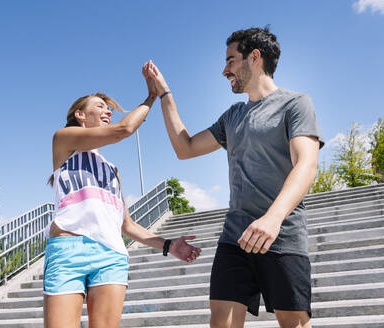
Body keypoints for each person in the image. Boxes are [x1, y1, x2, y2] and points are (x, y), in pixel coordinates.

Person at [146, 27, 324, 328]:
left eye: (230, 60)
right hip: (235, 239)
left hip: (282, 236)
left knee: (295, 324)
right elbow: (185, 147)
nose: (224, 70)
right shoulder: (233, 115)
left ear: (254, 58)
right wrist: (165, 94)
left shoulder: (295, 104)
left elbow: (306, 165)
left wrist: (272, 218)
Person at [43, 61, 202, 328]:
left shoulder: (112, 170)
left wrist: (168, 245)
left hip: (110, 254)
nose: (107, 111)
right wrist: (152, 97)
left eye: (109, 108)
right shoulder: (64, 140)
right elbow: (123, 130)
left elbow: (126, 225)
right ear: (80, 115)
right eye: (100, 106)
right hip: (69, 250)